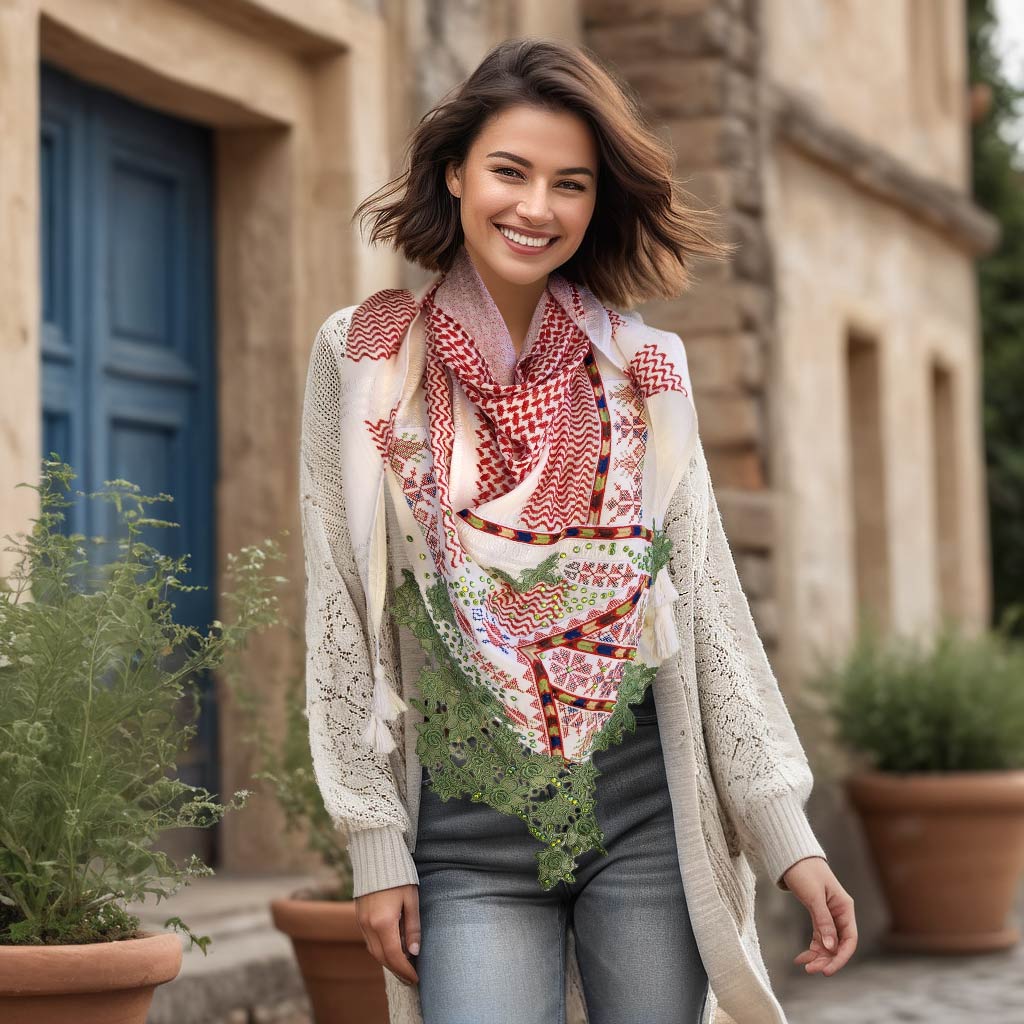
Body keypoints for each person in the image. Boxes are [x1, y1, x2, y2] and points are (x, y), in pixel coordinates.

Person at [300, 36, 857, 1024]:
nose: (536, 207)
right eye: (510, 171)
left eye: (571, 184)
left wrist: (788, 836)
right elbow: (341, 600)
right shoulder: (362, 354)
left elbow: (710, 600)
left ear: (596, 204)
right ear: (455, 171)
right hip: (468, 831)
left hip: (646, 811)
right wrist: (373, 842)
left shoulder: (642, 366)